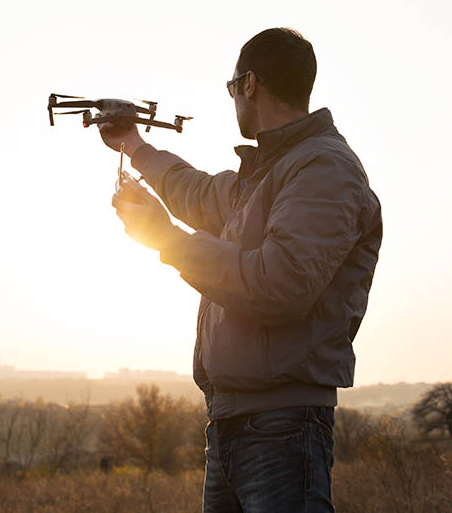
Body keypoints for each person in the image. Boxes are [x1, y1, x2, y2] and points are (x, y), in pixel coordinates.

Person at [100, 27, 382, 513]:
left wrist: (166, 238)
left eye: (232, 88)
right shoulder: (271, 172)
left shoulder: (323, 169)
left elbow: (281, 284)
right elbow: (199, 192)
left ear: (249, 83)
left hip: (283, 429)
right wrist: (134, 145)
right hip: (232, 424)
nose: (233, 99)